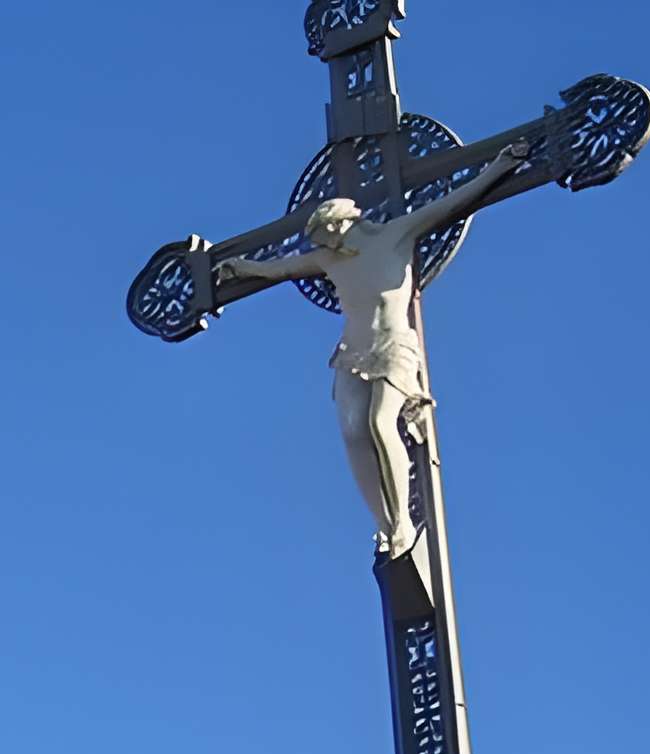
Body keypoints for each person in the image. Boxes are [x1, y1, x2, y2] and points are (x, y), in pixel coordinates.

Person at [213, 139, 534, 557]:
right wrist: (241, 267)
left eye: (327, 232)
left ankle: (401, 523)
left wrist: (498, 168)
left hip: (392, 343)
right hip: (352, 349)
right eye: (321, 237)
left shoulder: (394, 235)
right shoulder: (330, 260)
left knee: (382, 425)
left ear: (346, 221)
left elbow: (453, 202)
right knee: (352, 432)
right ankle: (383, 524)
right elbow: (281, 267)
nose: (324, 242)